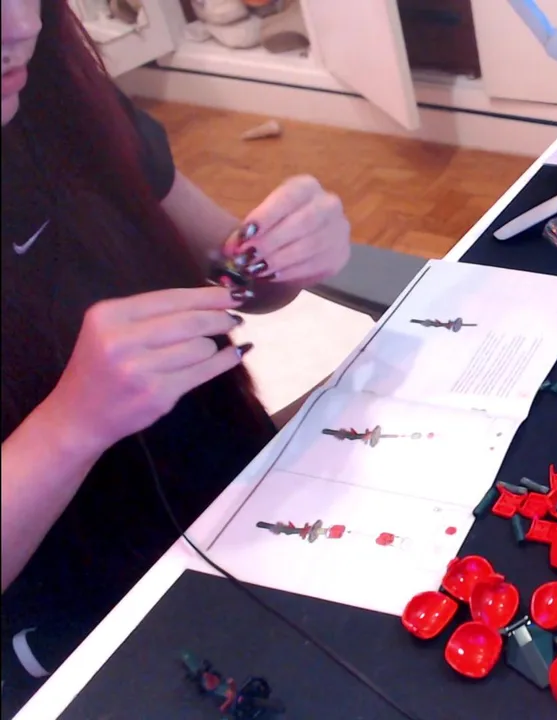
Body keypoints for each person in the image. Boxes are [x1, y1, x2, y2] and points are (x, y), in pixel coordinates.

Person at [0, 0, 353, 710]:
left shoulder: (61, 97)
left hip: (239, 508)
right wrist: (69, 426)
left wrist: (282, 256)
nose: (22, 26)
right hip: (85, 627)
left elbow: (232, 272)